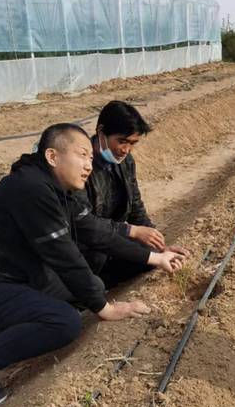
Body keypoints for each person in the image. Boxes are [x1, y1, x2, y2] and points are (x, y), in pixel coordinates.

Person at [0, 123, 185, 407]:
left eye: (90, 159)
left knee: (85, 285)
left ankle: (8, 324)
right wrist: (104, 308)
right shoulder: (30, 189)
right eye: (82, 155)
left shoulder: (55, 192)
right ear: (52, 156)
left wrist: (152, 256)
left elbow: (97, 232)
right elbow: (63, 255)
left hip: (11, 278)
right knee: (64, 322)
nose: (87, 165)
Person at [74, 100, 189, 289]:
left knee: (148, 255)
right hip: (86, 245)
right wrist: (130, 231)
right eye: (122, 141)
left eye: (133, 143)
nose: (126, 150)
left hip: (112, 238)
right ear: (101, 132)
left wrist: (158, 246)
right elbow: (84, 224)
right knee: (96, 264)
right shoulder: (80, 167)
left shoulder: (126, 162)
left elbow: (135, 204)